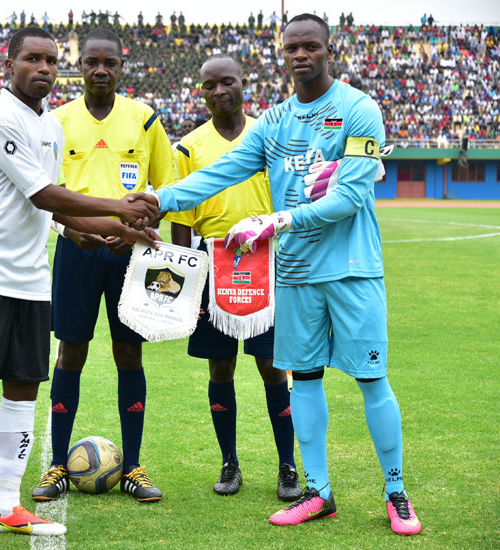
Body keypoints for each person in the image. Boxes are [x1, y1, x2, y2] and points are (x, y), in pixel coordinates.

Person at [148, 14, 422, 536]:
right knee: (306, 381)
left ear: (328, 51)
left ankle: (396, 492)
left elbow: (350, 196)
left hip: (352, 269)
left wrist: (276, 221)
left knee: (372, 380)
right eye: (292, 47)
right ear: (282, 53)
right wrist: (159, 200)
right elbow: (220, 173)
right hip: (295, 274)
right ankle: (319, 493)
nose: (301, 55)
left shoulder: (359, 109)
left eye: (311, 46)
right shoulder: (273, 123)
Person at [0, 26, 160, 550]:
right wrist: (119, 207)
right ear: (9, 64)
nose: (43, 68)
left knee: (23, 390)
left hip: (33, 280)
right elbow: (42, 194)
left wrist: (111, 232)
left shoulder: (50, 126)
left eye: (51, 60)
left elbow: (56, 208)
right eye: (32, 58)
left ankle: (6, 506)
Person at [31, 27, 176, 505]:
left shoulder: (145, 119)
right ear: (80, 67)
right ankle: (57, 463)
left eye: (108, 63)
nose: (100, 70)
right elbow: (44, 196)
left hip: (130, 255)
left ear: (121, 67)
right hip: (76, 250)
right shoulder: (56, 120)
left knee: (129, 354)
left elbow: (166, 191)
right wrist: (72, 230)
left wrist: (137, 229)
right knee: (69, 353)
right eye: (91, 62)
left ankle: (132, 465)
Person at [168, 54, 301, 501]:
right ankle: (229, 462)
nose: (219, 91)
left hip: (265, 262)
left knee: (273, 366)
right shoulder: (189, 146)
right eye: (209, 85)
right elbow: (181, 216)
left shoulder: (271, 135)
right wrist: (188, 282)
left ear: (244, 84)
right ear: (201, 92)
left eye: (227, 82)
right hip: (211, 263)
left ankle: (287, 466)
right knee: (220, 365)